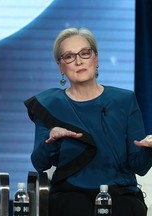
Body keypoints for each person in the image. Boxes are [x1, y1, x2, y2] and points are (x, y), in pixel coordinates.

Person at [24, 27, 152, 216]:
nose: (78, 61)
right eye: (69, 56)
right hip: (71, 193)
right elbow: (40, 163)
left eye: (85, 53)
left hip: (121, 193)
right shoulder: (51, 104)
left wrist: (149, 149)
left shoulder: (124, 100)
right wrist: (51, 139)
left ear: (96, 58)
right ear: (61, 66)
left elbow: (139, 167)